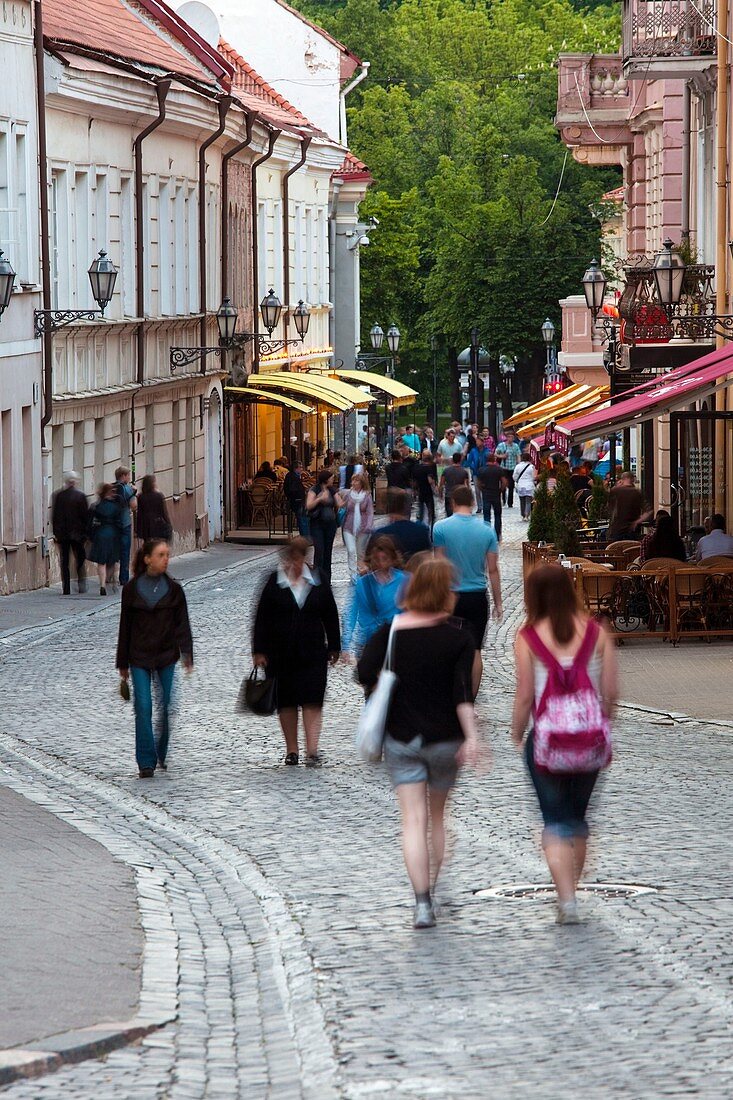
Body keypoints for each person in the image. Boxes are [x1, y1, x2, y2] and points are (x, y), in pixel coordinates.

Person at [357, 557, 480, 929]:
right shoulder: (459, 635)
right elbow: (464, 694)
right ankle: (434, 884)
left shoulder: (392, 630)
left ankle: (422, 901)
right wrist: (473, 737)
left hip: (402, 738)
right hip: (446, 740)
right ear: (445, 593)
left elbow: (363, 672)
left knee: (413, 820)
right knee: (438, 819)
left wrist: (390, 685)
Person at [510, 564, 618, 924]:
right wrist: (601, 720)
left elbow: (525, 695)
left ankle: (567, 900)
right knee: (578, 819)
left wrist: (516, 731)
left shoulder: (527, 636)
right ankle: (574, 885)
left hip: (548, 739)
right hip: (589, 740)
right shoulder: (597, 633)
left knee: (554, 819)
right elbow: (611, 693)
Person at [252, 537, 340, 766]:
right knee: (287, 701)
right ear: (286, 559)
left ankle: (312, 749)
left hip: (312, 652)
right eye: (291, 559)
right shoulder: (274, 582)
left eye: (299, 559)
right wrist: (258, 650)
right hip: (280, 654)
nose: (295, 564)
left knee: (313, 699)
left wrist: (334, 646)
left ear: (305, 559)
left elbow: (330, 614)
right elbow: (261, 618)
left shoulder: (318, 581)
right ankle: (292, 749)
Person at [116, 538, 193, 778]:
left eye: (167, 555)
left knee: (168, 704)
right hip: (138, 656)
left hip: (166, 655)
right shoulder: (131, 590)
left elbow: (183, 624)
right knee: (143, 707)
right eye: (161, 555)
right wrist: (122, 663)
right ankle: (146, 761)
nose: (166, 559)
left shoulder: (174, 590)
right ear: (148, 558)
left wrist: (187, 653)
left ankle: (161, 748)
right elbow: (125, 627)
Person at [433, 485, 502, 682]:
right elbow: (493, 569)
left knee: (448, 646)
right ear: (472, 503)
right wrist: (498, 603)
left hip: (449, 594)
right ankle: (470, 698)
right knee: (476, 649)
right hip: (477, 595)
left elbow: (439, 564)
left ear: (452, 502)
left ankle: (451, 692)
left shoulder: (441, 528)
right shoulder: (487, 530)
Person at [342, 535, 405, 656]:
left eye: (384, 558)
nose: (381, 563)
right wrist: (346, 644)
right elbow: (351, 612)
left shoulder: (403, 580)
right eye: (377, 559)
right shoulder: (363, 582)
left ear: (392, 558)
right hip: (369, 642)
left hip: (395, 640)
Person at [51, 471, 89, 595]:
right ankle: (81, 582)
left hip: (63, 535)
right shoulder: (80, 496)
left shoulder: (58, 496)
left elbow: (55, 516)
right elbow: (85, 517)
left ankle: (66, 587)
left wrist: (56, 533)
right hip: (78, 535)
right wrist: (85, 534)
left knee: (65, 561)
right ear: (74, 482)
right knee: (80, 559)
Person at [367, 488, 432, 561]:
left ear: (388, 508)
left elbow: (369, 562)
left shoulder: (380, 534)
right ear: (408, 508)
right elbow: (428, 559)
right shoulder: (422, 530)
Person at [88, 483, 123, 596]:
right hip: (113, 534)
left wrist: (91, 535)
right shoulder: (116, 507)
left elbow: (90, 523)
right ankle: (112, 580)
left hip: (101, 533)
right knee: (112, 560)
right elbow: (120, 523)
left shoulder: (96, 506)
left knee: (101, 561)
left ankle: (102, 585)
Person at [339, 472, 375, 582]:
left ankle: (360, 572)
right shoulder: (348, 494)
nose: (353, 483)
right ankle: (352, 573)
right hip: (349, 526)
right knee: (351, 550)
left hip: (363, 526)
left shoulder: (367, 496)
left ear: (361, 483)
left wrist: (369, 525)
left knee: (360, 552)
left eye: (356, 480)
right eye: (352, 480)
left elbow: (370, 512)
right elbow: (341, 503)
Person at [306, 469, 339, 581]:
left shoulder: (332, 490)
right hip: (317, 524)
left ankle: (326, 579)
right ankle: (316, 577)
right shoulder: (314, 489)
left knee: (328, 551)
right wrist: (319, 499)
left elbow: (339, 503)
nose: (333, 480)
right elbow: (309, 505)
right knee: (319, 550)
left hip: (330, 524)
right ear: (326, 479)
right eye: (331, 478)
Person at [606, 471, 651, 542]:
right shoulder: (638, 492)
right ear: (633, 480)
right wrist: (637, 522)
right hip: (633, 529)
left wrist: (617, 485)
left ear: (622, 480)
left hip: (617, 528)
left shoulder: (616, 490)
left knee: (616, 549)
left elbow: (608, 505)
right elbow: (648, 511)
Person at [475, 454, 509, 541]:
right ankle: (497, 535)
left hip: (486, 494)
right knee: (497, 515)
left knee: (486, 516)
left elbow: (478, 483)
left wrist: (482, 489)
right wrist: (500, 490)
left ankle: (487, 535)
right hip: (496, 494)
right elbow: (504, 482)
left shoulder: (481, 470)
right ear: (494, 459)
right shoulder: (498, 470)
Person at [113, 465, 137, 587]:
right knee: (124, 552)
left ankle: (108, 576)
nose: (129, 477)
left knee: (111, 551)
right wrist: (134, 493)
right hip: (124, 523)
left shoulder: (110, 488)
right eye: (128, 475)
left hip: (111, 524)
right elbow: (134, 505)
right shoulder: (127, 489)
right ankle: (123, 578)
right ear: (123, 476)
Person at [135, 475, 173, 542]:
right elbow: (164, 512)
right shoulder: (158, 496)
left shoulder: (141, 497)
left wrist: (137, 529)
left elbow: (140, 514)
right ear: (152, 484)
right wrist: (169, 524)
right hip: (157, 523)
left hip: (146, 525)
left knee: (148, 545)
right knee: (158, 543)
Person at [495, 430, 522, 507]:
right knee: (503, 484)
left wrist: (519, 464)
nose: (511, 438)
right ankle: (503, 498)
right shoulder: (502, 445)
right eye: (509, 437)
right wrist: (502, 456)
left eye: (512, 437)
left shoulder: (515, 446)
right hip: (504, 467)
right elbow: (495, 454)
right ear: (507, 438)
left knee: (511, 485)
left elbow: (518, 455)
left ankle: (510, 502)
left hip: (512, 467)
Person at [439, 453, 470, 517]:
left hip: (448, 495)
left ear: (452, 460)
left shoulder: (446, 471)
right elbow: (467, 486)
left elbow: (441, 484)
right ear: (460, 460)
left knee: (449, 515)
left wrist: (440, 494)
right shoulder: (464, 472)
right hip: (460, 496)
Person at [413, 450, 438, 530]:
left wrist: (415, 491)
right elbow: (431, 481)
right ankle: (431, 529)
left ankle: (420, 528)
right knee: (431, 512)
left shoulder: (417, 467)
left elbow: (414, 482)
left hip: (421, 492)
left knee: (421, 512)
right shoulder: (429, 468)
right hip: (428, 492)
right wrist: (435, 490)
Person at [284, 461, 309, 537]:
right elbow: (293, 489)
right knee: (302, 518)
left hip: (297, 500)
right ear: (296, 468)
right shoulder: (293, 477)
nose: (302, 469)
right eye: (300, 467)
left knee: (303, 518)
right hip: (297, 501)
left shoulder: (293, 476)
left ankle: (305, 536)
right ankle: (305, 537)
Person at [513, 455, 536, 521]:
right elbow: (533, 476)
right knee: (528, 501)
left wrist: (517, 480)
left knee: (522, 501)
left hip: (520, 485)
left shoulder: (518, 466)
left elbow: (514, 476)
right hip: (529, 485)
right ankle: (527, 515)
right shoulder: (531, 467)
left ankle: (522, 515)